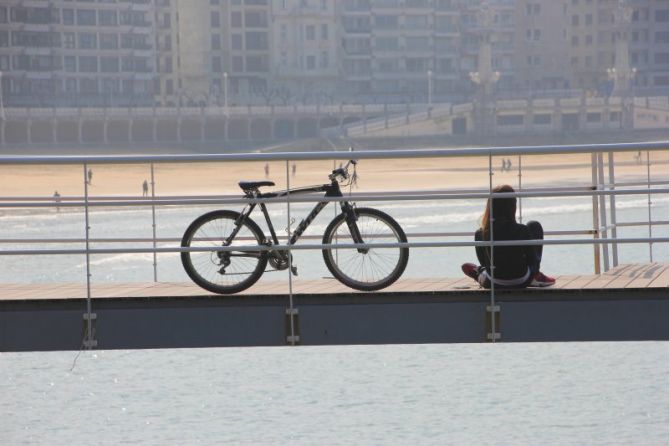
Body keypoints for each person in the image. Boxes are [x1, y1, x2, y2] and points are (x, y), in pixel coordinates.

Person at [461, 184, 555, 288]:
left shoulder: (481, 233)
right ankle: (535, 276)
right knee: (534, 225)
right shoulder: (522, 230)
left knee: (477, 269)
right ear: (512, 206)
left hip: (494, 282)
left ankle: (479, 273)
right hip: (522, 280)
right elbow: (532, 260)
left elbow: (485, 262)